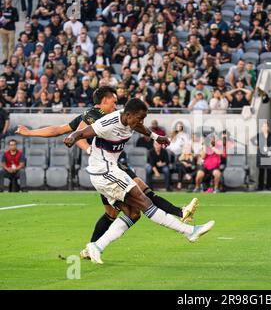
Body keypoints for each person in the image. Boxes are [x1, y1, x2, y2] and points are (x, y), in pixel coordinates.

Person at [16, 87, 198, 259]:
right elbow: (70, 133)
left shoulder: (117, 116)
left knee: (121, 211)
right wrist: (31, 133)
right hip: (104, 168)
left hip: (113, 164)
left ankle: (93, 247)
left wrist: (156, 137)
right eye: (114, 101)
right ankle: (181, 217)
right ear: (103, 102)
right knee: (138, 197)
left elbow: (64, 130)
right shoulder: (93, 115)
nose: (116, 105)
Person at [63, 98, 214, 264]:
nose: (141, 121)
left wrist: (156, 137)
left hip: (110, 170)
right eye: (139, 118)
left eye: (143, 118)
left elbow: (139, 126)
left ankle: (97, 246)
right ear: (127, 115)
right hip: (104, 172)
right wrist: (73, 137)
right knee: (145, 202)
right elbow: (83, 132)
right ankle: (189, 231)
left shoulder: (131, 122)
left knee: (133, 214)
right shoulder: (109, 122)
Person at [0, 0, 19, 64]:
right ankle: (5, 58)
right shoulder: (2, 8)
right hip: (3, 29)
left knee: (11, 45)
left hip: (11, 29)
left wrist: (10, 20)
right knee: (4, 45)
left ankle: (10, 60)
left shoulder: (14, 9)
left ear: (11, 0)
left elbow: (17, 18)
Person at [255, 121, 271, 191]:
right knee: (261, 171)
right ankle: (260, 186)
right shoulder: (258, 135)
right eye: (263, 126)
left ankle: (269, 186)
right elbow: (257, 145)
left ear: (268, 127)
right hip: (261, 155)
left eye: (266, 126)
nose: (265, 128)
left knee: (269, 171)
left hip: (269, 155)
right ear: (261, 128)